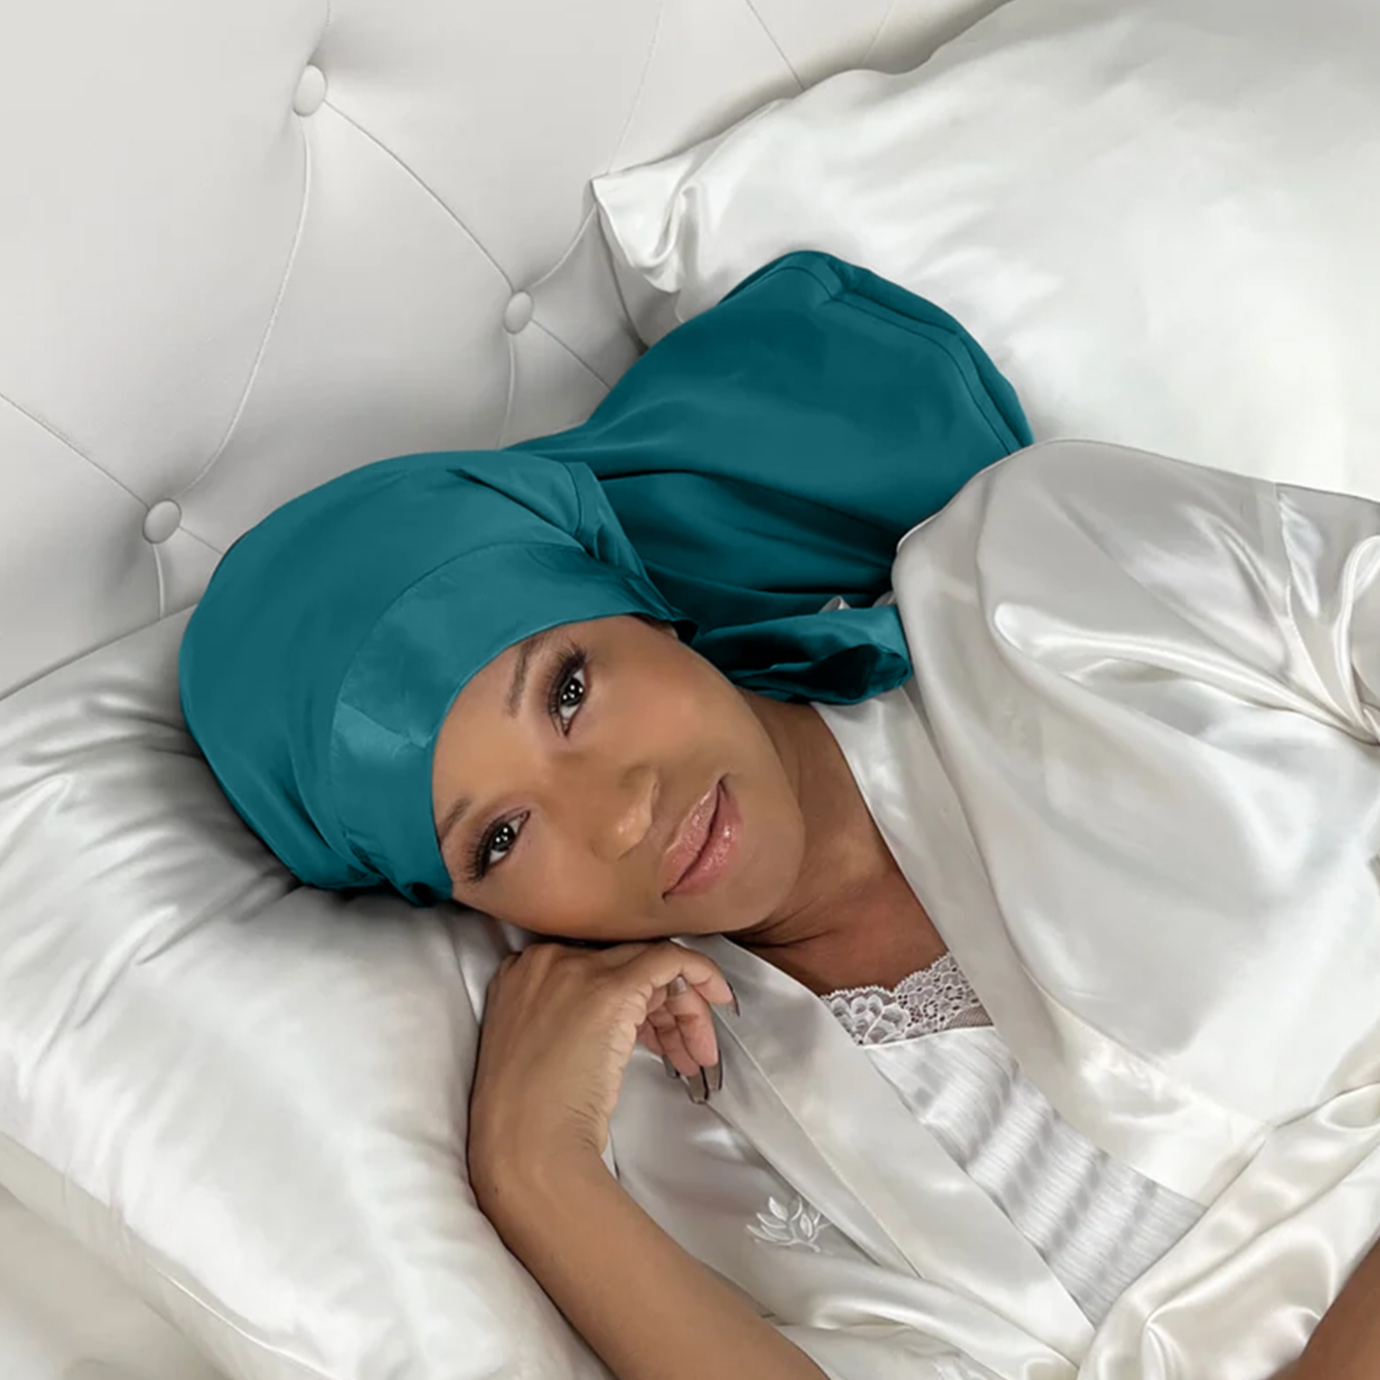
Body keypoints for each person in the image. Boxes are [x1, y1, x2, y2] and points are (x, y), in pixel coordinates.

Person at [179, 250, 1380, 1380]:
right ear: (452, 898)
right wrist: (537, 1172)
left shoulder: (1038, 572)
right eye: (499, 837)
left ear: (631, 596)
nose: (620, 816)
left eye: (569, 691)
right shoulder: (664, 1120)